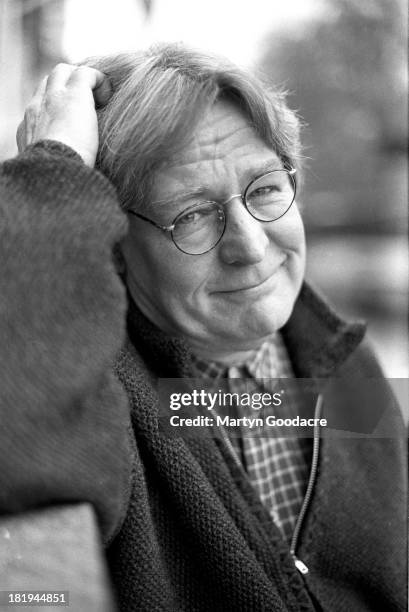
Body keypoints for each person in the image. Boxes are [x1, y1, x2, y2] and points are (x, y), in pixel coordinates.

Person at [0, 43, 406, 611]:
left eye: (265, 189)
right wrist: (54, 172)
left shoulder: (351, 369)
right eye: (192, 215)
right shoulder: (96, 403)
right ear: (115, 244)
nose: (252, 244)